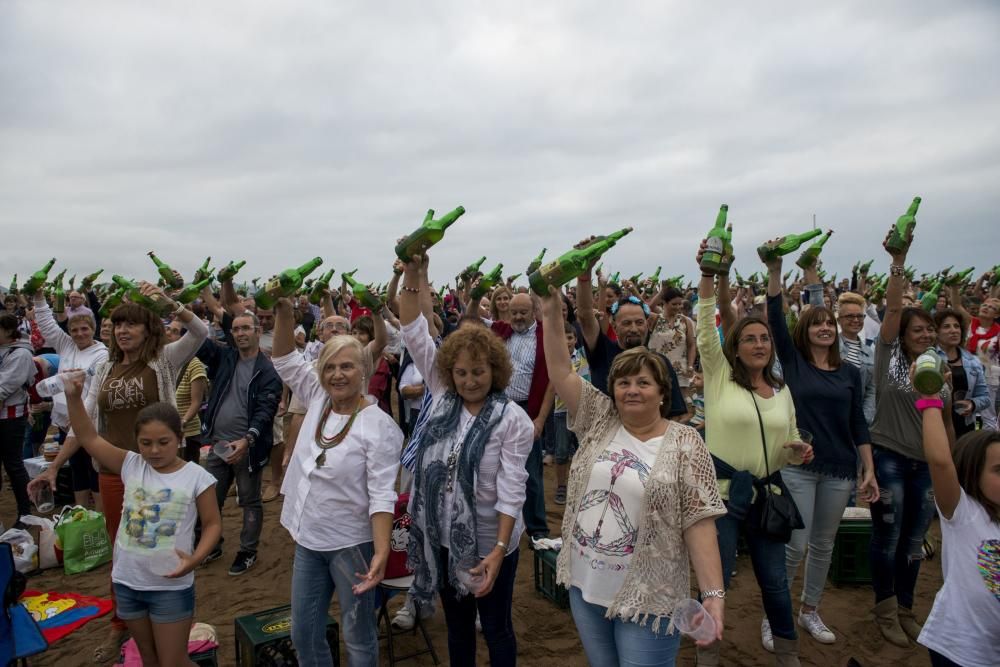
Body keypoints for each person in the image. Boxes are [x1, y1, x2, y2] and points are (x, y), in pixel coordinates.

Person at [539, 283, 726, 666]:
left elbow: (700, 523)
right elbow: (560, 369)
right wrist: (550, 309)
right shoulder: (597, 419)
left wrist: (713, 595)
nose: (632, 390)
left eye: (643, 382)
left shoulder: (684, 443)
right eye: (623, 382)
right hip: (585, 586)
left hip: (649, 596)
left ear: (662, 392)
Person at [28, 282, 208, 663]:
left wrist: (168, 303)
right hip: (114, 469)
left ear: (148, 329)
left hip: (158, 472)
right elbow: (86, 423)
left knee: (160, 542)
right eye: (117, 324)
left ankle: (170, 619)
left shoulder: (165, 359)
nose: (122, 330)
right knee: (122, 549)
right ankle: (121, 624)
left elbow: (201, 332)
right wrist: (54, 466)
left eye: (131, 324)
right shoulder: (104, 367)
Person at [399, 251, 532, 667]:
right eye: (461, 373)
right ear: (448, 373)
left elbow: (512, 490)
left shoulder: (513, 420)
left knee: (496, 628)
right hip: (441, 537)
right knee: (457, 628)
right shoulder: (440, 394)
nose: (470, 380)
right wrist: (411, 271)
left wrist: (496, 550)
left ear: (495, 371)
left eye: (479, 372)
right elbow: (413, 329)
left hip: (492, 543)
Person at [694, 240, 814, 667]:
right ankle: (707, 656)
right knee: (714, 583)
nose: (760, 344)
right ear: (736, 345)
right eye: (750, 338)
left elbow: (793, 443)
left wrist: (800, 451)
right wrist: (708, 275)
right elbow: (706, 327)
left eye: (765, 338)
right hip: (722, 496)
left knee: (776, 583)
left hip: (768, 495)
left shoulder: (782, 389)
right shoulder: (719, 375)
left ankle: (787, 653)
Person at [271, 296, 401, 667]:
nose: (337, 375)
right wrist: (283, 310)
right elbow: (282, 359)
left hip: (352, 544)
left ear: (364, 370)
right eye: (329, 367)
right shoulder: (318, 399)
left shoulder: (379, 427)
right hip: (309, 539)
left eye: (347, 366)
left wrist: (380, 552)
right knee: (304, 634)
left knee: (358, 637)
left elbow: (381, 495)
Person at [63, 373, 221, 667]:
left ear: (179, 438)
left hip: (170, 586)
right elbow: (87, 436)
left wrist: (196, 558)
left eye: (163, 442)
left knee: (173, 661)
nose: (154, 450)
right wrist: (73, 397)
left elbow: (212, 524)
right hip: (127, 582)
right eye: (145, 443)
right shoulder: (131, 464)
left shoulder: (197, 477)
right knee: (148, 659)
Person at [763, 254, 878, 645]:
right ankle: (773, 614)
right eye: (819, 323)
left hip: (840, 468)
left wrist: (869, 469)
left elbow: (857, 423)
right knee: (794, 546)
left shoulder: (851, 373)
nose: (827, 327)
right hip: (797, 466)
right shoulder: (793, 364)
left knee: (823, 546)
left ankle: (810, 611)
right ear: (805, 330)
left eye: (830, 322)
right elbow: (775, 317)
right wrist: (776, 272)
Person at [867, 228, 955, 649]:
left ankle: (906, 608)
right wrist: (898, 263)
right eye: (916, 330)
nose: (924, 335)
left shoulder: (941, 369)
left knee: (916, 542)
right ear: (902, 335)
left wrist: (951, 462)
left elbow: (946, 421)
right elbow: (892, 307)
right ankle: (884, 609)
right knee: (888, 538)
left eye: (929, 330)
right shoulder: (890, 360)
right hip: (890, 458)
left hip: (928, 466)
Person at [913, 379, 1000, 667]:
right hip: (959, 648)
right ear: (971, 473)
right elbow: (940, 460)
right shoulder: (963, 512)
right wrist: (930, 398)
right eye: (998, 470)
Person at [196, 310, 282, 575]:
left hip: (248, 448)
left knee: (249, 500)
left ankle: (248, 551)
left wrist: (247, 440)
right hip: (219, 444)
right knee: (211, 498)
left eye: (246, 328)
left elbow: (265, 413)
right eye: (236, 329)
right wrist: (176, 308)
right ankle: (212, 544)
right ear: (231, 334)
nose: (241, 333)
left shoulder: (268, 370)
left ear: (258, 331)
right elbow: (198, 339)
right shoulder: (225, 357)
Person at [574, 254, 688, 420]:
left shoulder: (660, 362)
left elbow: (675, 414)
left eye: (639, 322)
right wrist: (585, 272)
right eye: (626, 323)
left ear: (647, 325)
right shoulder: (601, 350)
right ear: (614, 326)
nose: (634, 328)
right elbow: (585, 315)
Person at [31, 287, 109, 508]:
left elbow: (92, 395)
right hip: (65, 424)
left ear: (92, 329)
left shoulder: (101, 355)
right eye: (74, 330)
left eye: (84, 329)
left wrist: (76, 419)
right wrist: (38, 299)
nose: (79, 334)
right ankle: (80, 513)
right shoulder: (67, 345)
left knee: (93, 470)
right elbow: (47, 325)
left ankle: (101, 520)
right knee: (77, 471)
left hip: (89, 424)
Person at [0, 313, 34, 528]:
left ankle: (24, 514)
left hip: (11, 417)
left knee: (13, 465)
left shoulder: (20, 353)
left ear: (8, 331)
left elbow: (6, 386)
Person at [934, 309, 991, 439]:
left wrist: (973, 404)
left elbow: (985, 397)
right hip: (938, 424)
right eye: (946, 326)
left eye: (956, 326)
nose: (953, 330)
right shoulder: (929, 358)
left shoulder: (973, 361)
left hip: (968, 424)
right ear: (936, 332)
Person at [164, 320, 207, 463]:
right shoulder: (162, 360)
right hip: (166, 430)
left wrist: (183, 422)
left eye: (174, 331)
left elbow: (196, 402)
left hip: (187, 433)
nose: (168, 333)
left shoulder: (194, 364)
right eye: (168, 329)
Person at [648, 285, 697, 399]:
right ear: (664, 303)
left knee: (680, 405)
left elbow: (691, 345)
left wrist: (690, 366)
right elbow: (648, 307)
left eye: (680, 304)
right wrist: (661, 292)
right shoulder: (655, 319)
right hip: (657, 369)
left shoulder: (686, 321)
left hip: (680, 372)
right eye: (674, 304)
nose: (678, 307)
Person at [836, 291, 877, 424]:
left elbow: (871, 390)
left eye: (860, 316)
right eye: (849, 316)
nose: (855, 320)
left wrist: (864, 420)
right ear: (839, 320)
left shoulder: (869, 353)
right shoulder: (830, 346)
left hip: (857, 422)